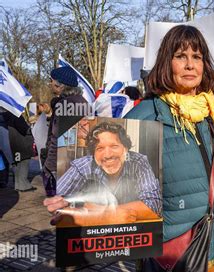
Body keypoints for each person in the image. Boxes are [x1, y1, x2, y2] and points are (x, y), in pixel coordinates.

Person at [125, 25, 214, 272]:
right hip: (167, 245)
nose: (190, 64)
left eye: (197, 56)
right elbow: (109, 175)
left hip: (213, 241)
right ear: (167, 62)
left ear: (205, 64)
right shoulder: (146, 114)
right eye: (181, 56)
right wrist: (74, 207)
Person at [43, 121, 161, 226]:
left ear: (125, 148)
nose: (108, 155)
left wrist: (100, 213)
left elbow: (154, 205)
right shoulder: (82, 167)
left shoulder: (138, 163)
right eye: (100, 148)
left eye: (114, 146)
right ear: (93, 153)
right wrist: (104, 218)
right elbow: (57, 209)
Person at [43, 66, 90, 197]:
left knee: (58, 203)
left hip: (62, 163)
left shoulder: (65, 105)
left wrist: (49, 165)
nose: (50, 83)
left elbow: (56, 137)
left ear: (59, 85)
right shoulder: (82, 102)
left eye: (51, 80)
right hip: (78, 160)